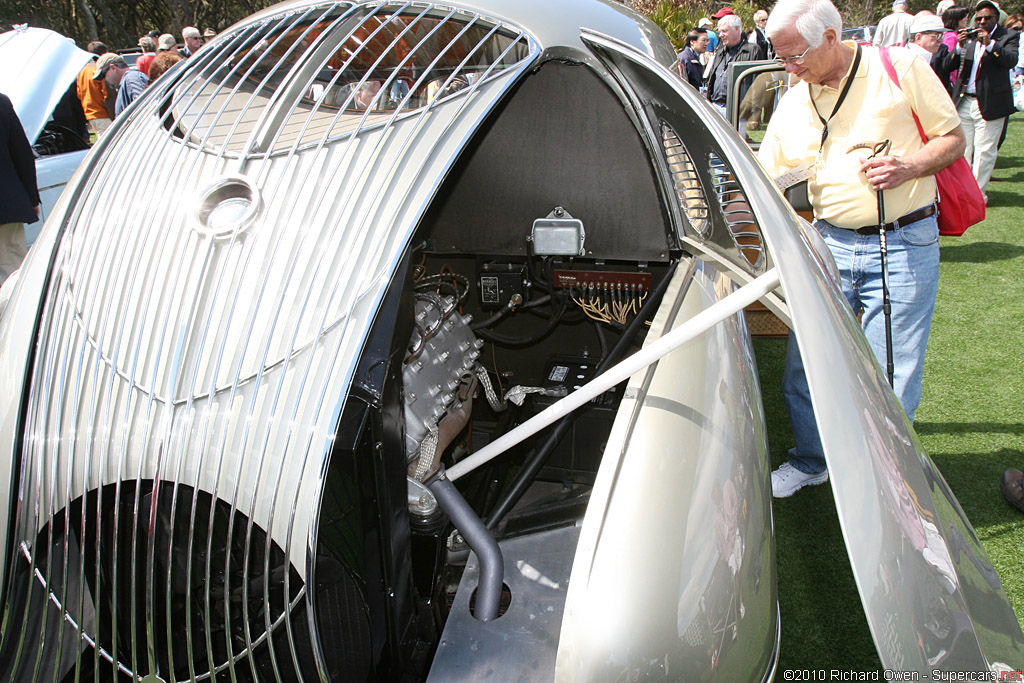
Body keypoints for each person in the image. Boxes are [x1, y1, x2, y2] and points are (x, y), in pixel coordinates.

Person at [758, 0, 965, 498]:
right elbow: (769, 173)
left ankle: (884, 484)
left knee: (891, 376)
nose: (789, 68)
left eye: (796, 56)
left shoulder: (904, 68)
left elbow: (953, 138)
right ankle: (811, 462)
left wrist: (909, 167)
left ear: (831, 36)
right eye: (782, 58)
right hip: (825, 245)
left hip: (901, 244)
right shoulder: (795, 95)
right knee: (805, 366)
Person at [943, 0, 1018, 199]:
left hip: (990, 102)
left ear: (997, 19)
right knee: (963, 149)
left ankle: (977, 195)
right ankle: (964, 191)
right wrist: (959, 47)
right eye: (979, 18)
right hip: (964, 100)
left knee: (985, 151)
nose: (982, 22)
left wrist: (990, 44)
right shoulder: (969, 36)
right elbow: (947, 66)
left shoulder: (1007, 36)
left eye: (988, 18)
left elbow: (1010, 60)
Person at [0, 93, 40, 285]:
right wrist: (32, 199)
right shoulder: (1, 102)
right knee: (12, 274)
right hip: (6, 205)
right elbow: (22, 154)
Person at [706, 13, 765, 117]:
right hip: (715, 108)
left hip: (738, 110)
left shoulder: (753, 51)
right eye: (719, 31)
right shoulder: (720, 52)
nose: (721, 35)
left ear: (737, 29)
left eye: (724, 31)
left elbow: (759, 84)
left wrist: (754, 114)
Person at [93, 53, 149, 118]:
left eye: (103, 75)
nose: (104, 80)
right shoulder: (126, 82)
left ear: (113, 68)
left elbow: (145, 106)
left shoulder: (131, 78)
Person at [76, 41, 112, 138]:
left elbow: (79, 93)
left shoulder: (82, 71)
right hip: (103, 114)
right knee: (109, 145)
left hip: (90, 113)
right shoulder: (98, 70)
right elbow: (106, 94)